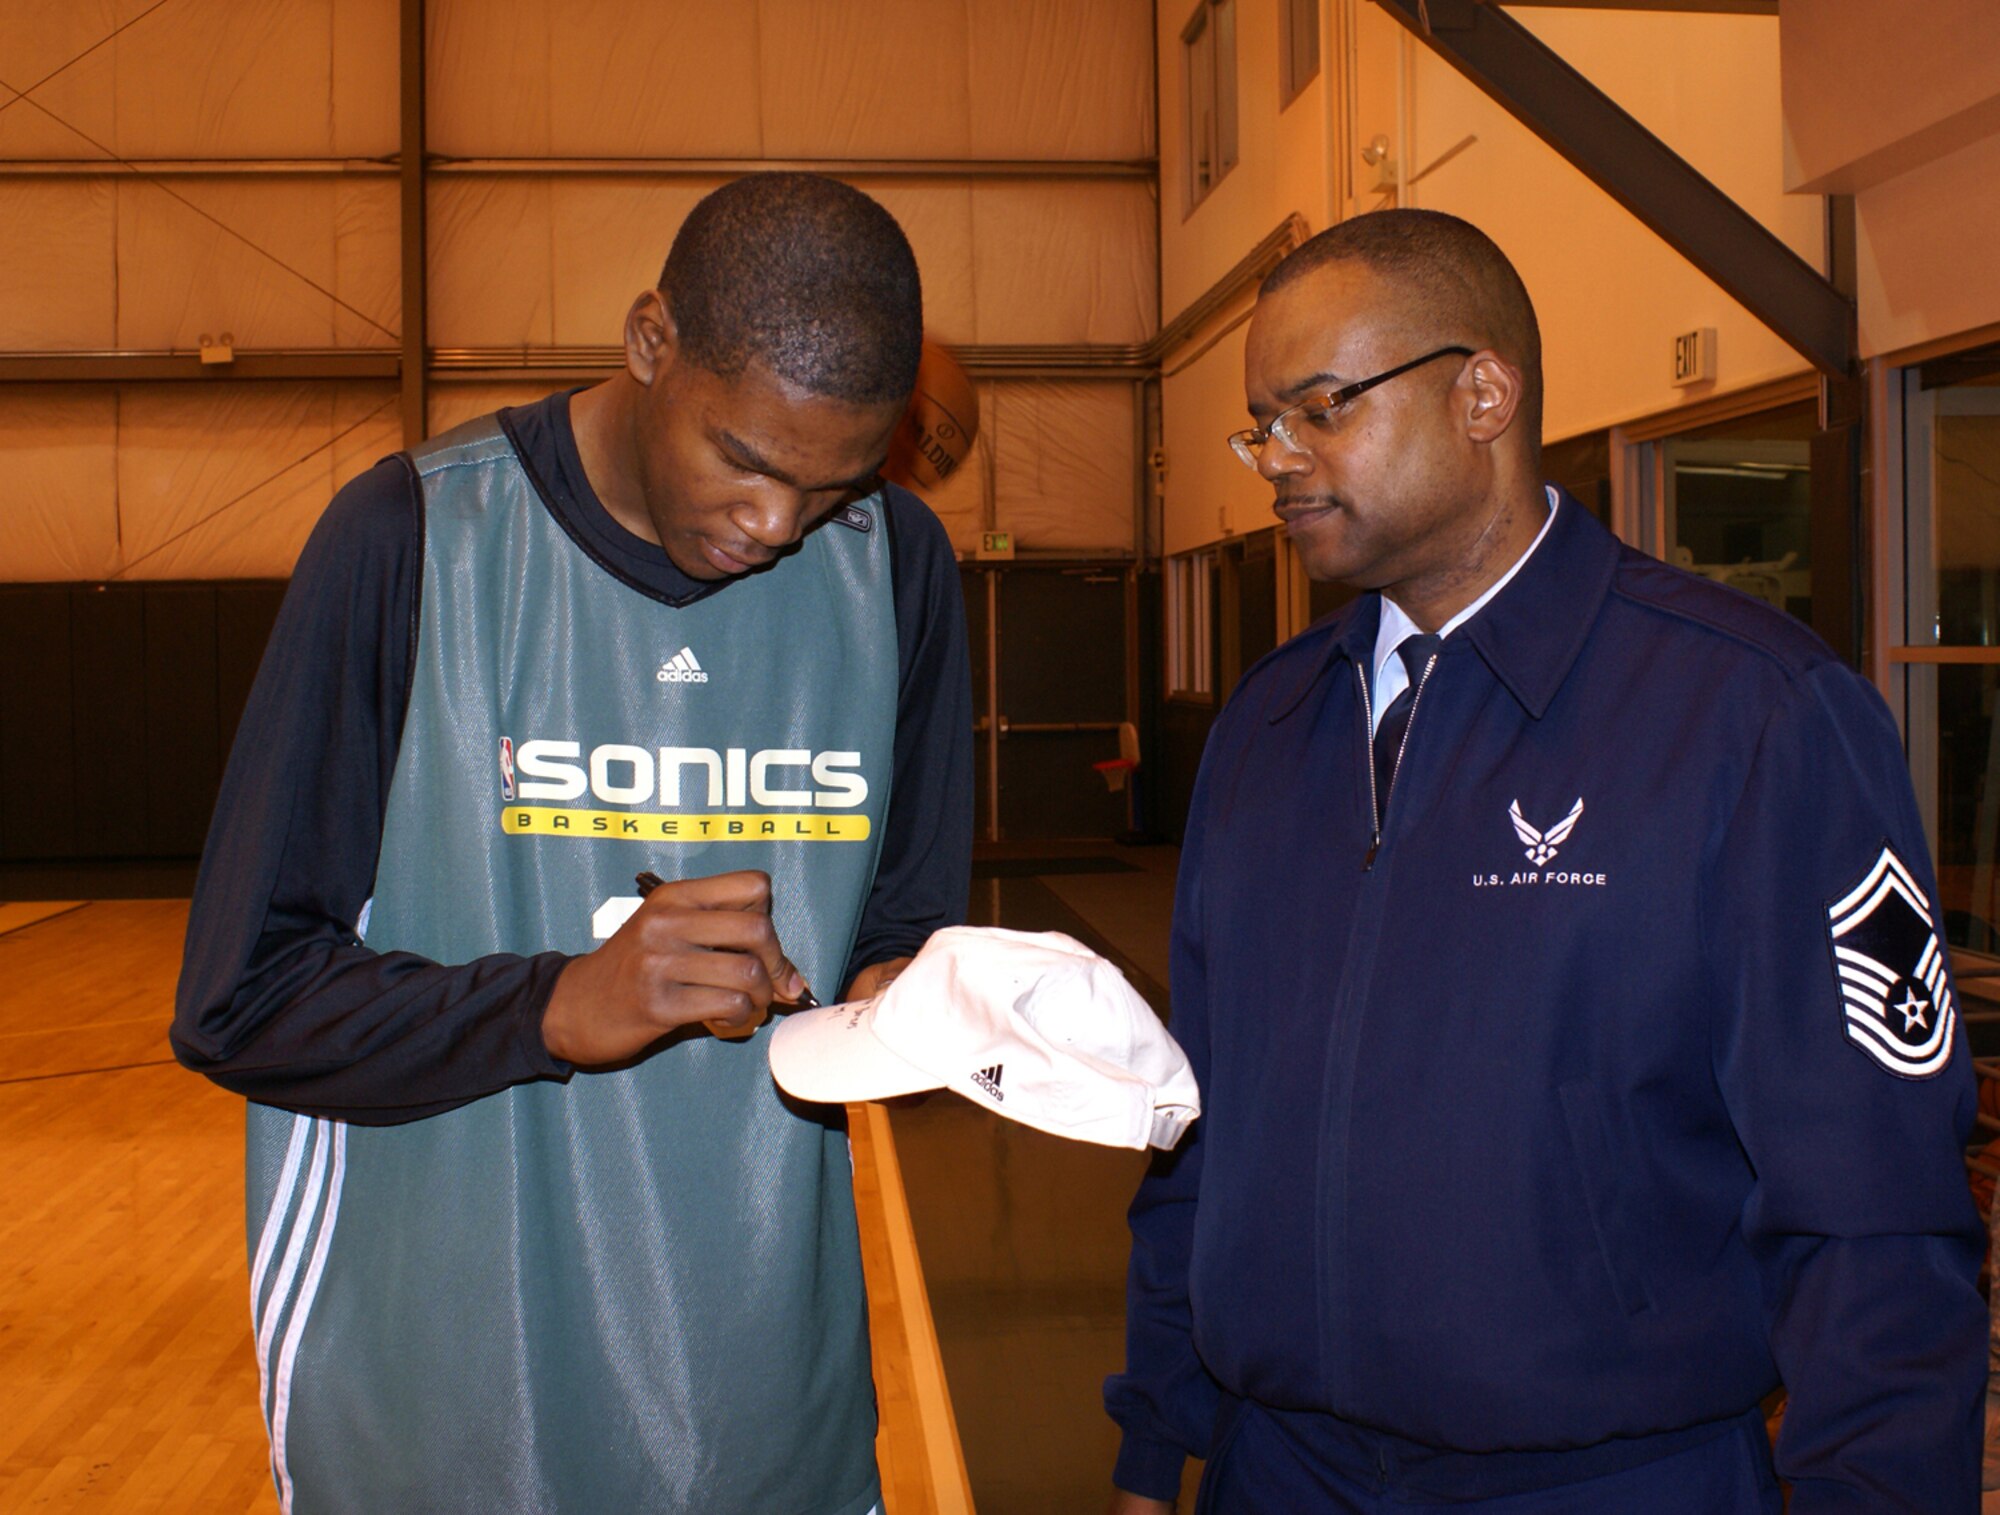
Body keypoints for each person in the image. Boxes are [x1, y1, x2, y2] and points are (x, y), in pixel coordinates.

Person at [1104, 209, 1984, 1513]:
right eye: (1261, 424)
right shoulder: (1268, 728)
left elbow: (1873, 1211)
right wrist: (1155, 1437)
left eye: (1322, 409)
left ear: (1483, 394)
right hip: (1276, 1470)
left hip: (1611, 1480)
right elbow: (1197, 1129)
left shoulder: (1749, 716)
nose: (1277, 460)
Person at [172, 172, 972, 1515]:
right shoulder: (410, 537)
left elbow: (898, 938)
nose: (779, 528)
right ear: (650, 343)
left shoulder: (896, 568)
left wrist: (933, 1007)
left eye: (833, 487)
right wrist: (557, 1003)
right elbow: (240, 1000)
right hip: (439, 1401)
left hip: (762, 1406)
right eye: (749, 462)